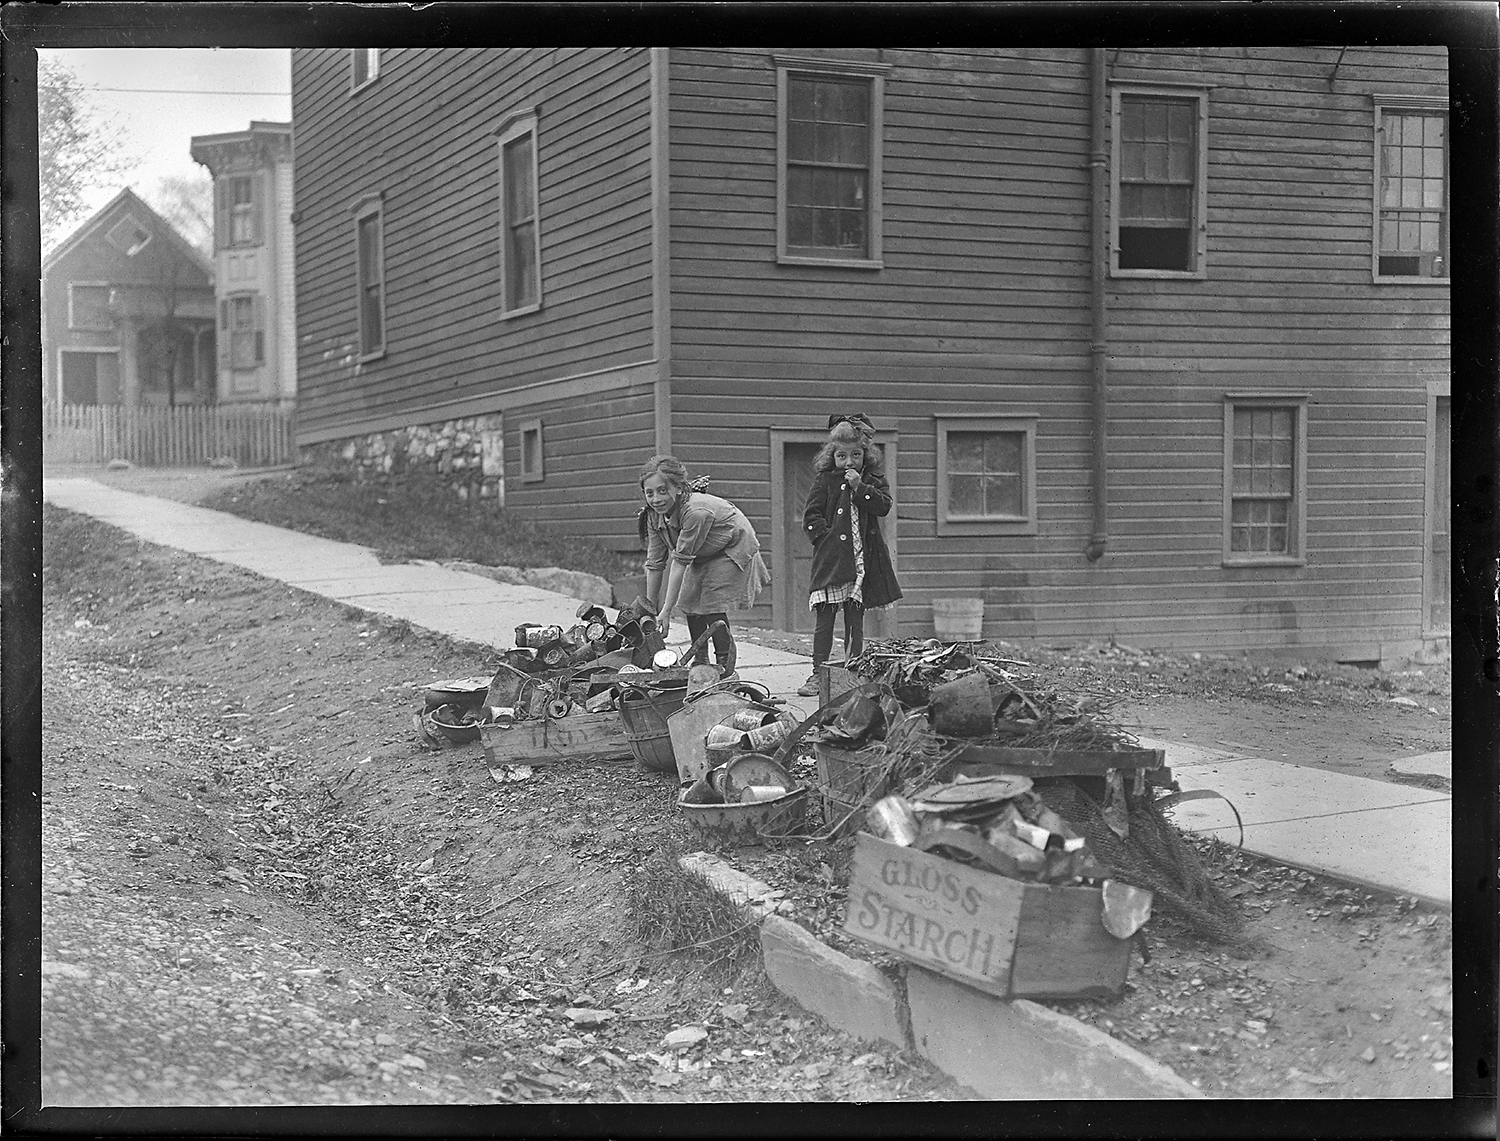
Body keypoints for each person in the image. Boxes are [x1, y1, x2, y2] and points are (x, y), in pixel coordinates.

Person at [797, 413, 903, 697]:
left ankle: (851, 672)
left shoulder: (872, 479)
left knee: (855, 620)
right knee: (825, 619)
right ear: (832, 455)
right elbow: (811, 517)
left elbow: (883, 506)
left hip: (861, 561)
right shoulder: (825, 480)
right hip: (832, 562)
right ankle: (818, 675)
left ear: (865, 455)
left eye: (856, 455)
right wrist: (826, 538)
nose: (849, 462)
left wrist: (860, 487)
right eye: (842, 456)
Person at [638, 455, 770, 679]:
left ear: (678, 488)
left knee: (710, 602)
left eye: (663, 491)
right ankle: (700, 660)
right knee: (689, 599)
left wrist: (667, 611)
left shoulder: (696, 512)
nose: (656, 499)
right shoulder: (652, 516)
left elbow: (680, 561)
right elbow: (655, 564)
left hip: (732, 545)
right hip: (704, 552)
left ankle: (725, 663)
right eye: (649, 493)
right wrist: (650, 613)